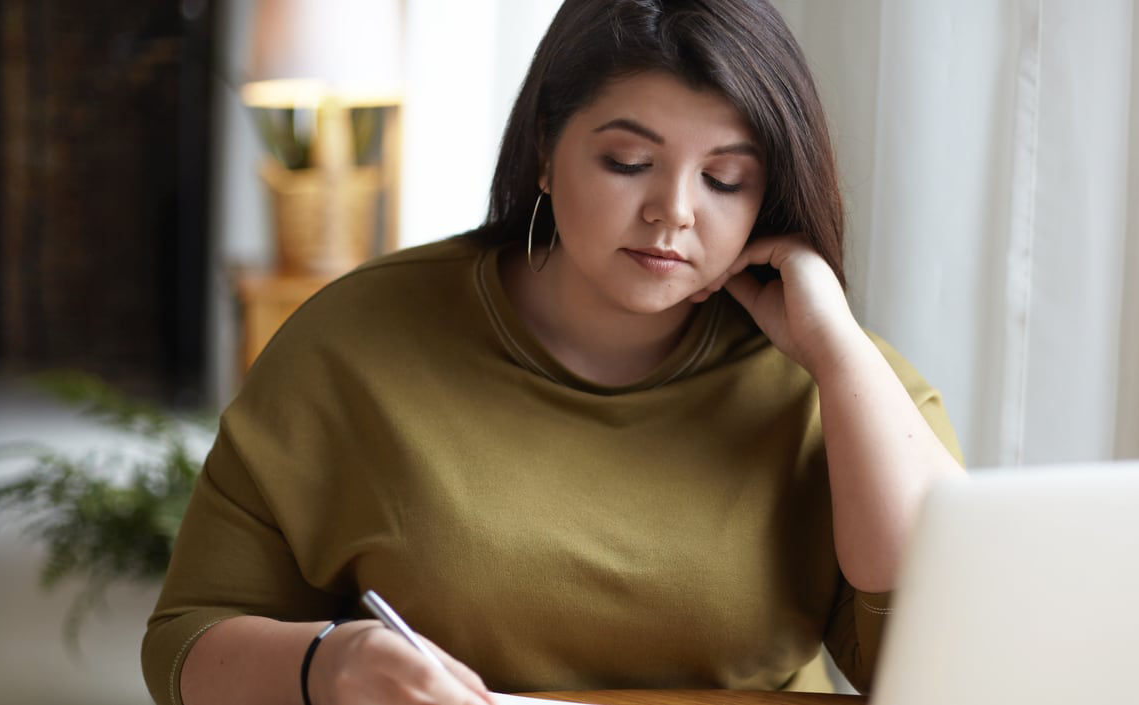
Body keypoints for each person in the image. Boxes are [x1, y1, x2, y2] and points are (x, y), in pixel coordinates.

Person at [141, 1, 965, 704]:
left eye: (725, 179)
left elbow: (946, 655)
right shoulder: (355, 341)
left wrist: (836, 352)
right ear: (545, 147)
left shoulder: (837, 382)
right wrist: (329, 663)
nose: (671, 212)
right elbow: (185, 641)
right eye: (629, 161)